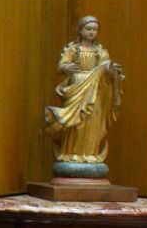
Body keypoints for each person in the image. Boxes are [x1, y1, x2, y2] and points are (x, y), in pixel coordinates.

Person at [44, 15, 123, 168]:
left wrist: (113, 71)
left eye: (95, 29)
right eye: (88, 29)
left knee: (91, 120)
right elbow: (61, 66)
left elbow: (107, 69)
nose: (92, 32)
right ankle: (71, 153)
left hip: (95, 90)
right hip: (77, 86)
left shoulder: (100, 52)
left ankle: (89, 153)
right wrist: (67, 67)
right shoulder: (73, 49)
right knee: (76, 120)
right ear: (80, 31)